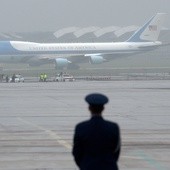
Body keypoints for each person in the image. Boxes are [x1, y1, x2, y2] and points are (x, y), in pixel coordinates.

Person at [72, 93, 121, 170]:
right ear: (103, 108)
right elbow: (116, 150)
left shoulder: (81, 127)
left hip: (88, 166)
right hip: (109, 166)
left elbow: (77, 152)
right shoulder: (113, 127)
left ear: (89, 108)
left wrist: (84, 165)